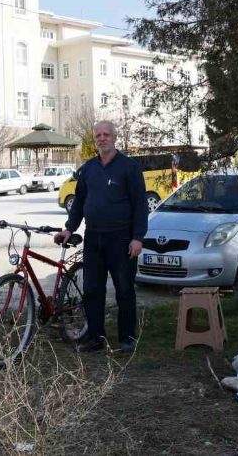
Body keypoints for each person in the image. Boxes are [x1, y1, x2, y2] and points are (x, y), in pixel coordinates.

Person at [55, 120, 148, 353]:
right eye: (98, 135)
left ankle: (127, 338)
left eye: (106, 134)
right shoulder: (88, 169)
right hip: (94, 238)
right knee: (92, 290)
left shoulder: (129, 167)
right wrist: (69, 228)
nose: (102, 138)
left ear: (114, 137)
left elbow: (140, 205)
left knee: (124, 290)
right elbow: (78, 204)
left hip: (122, 239)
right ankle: (96, 337)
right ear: (94, 139)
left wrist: (137, 237)